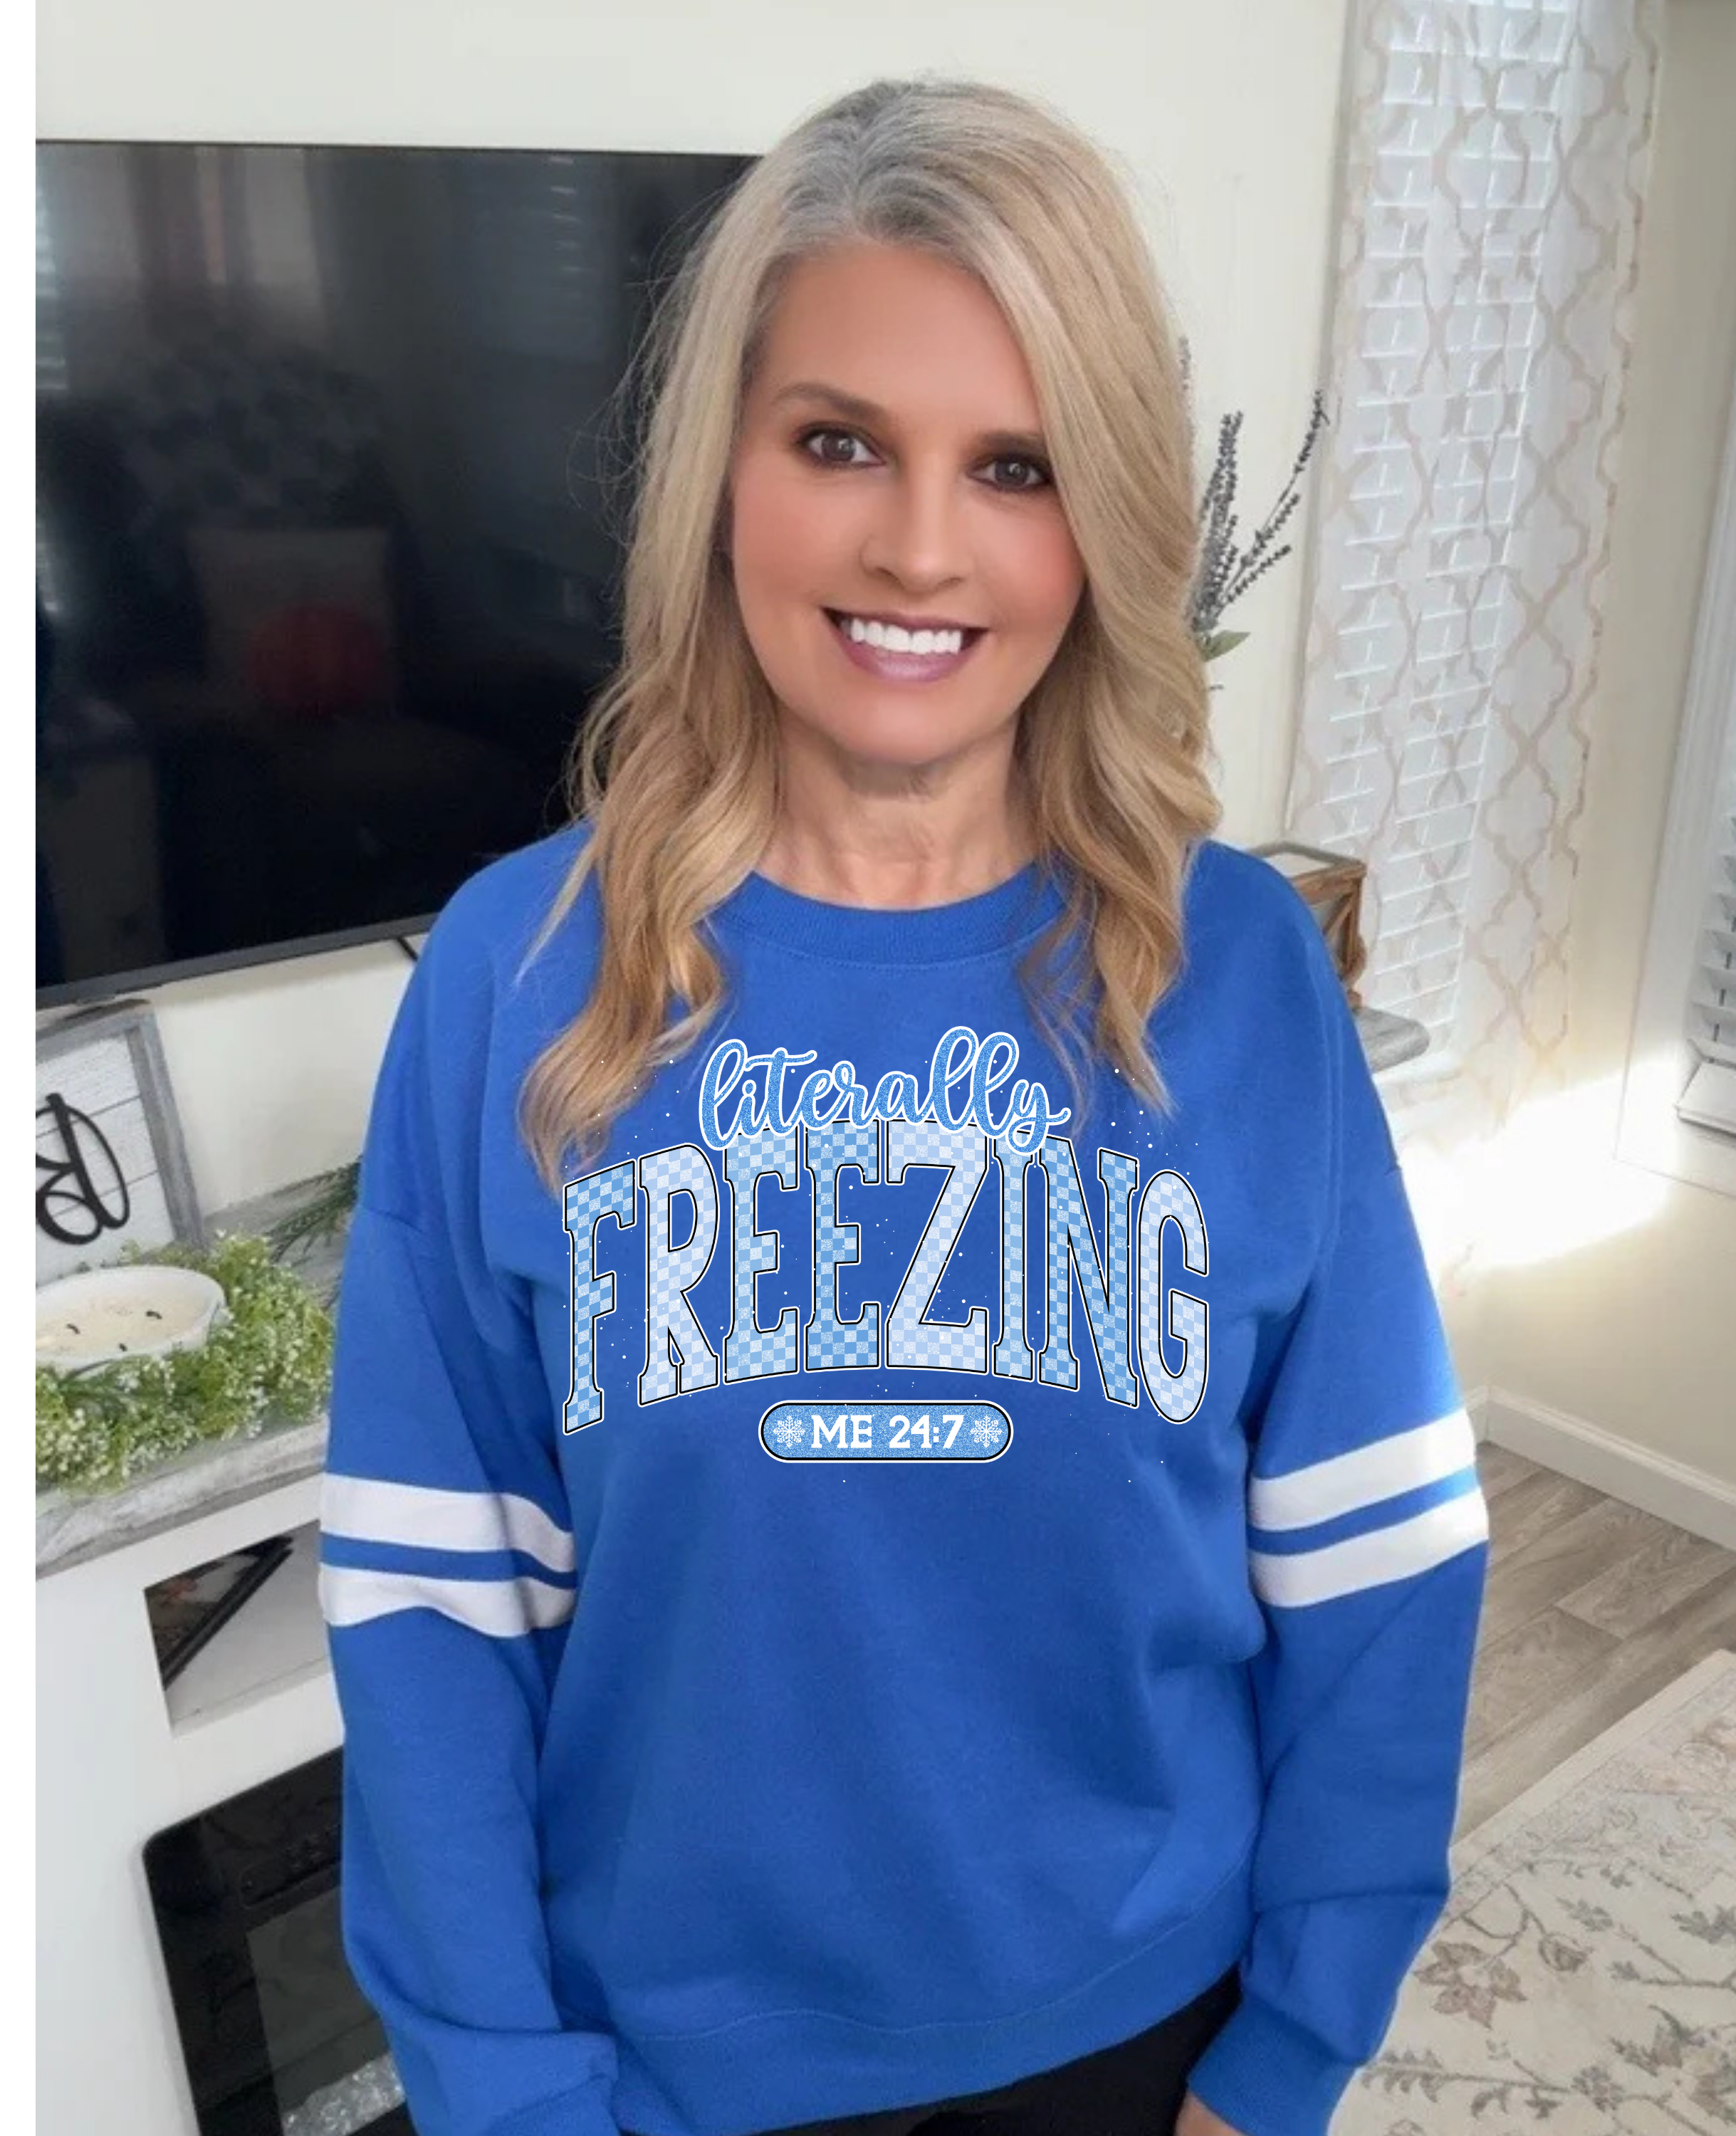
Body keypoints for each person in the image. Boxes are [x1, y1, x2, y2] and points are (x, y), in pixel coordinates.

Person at [318, 75, 1490, 2136]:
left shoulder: (1242, 978)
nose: (920, 547)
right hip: (657, 2064)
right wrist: (501, 2091)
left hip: (1143, 2033)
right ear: (723, 474)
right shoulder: (513, 981)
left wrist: (1292, 2045)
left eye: (1014, 465)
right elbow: (431, 1612)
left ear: (1102, 517)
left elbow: (1376, 1564)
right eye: (838, 440)